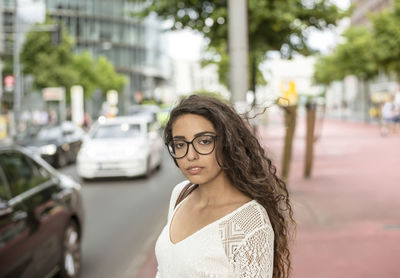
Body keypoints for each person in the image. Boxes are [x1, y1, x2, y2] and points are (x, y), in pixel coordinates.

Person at [155, 95, 294, 278]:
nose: (191, 155)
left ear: (227, 143)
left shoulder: (249, 222)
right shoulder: (181, 193)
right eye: (180, 144)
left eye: (204, 141)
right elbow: (165, 269)